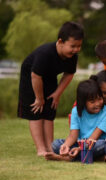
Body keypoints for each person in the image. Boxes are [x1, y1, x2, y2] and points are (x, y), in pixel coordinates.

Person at [17, 21, 84, 156]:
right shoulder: (45, 53)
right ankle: (41, 149)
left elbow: (69, 74)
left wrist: (57, 94)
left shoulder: (72, 56)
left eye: (79, 46)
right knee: (36, 111)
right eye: (72, 46)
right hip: (31, 78)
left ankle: (50, 147)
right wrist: (39, 98)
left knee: (49, 111)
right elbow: (35, 76)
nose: (76, 49)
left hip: (49, 77)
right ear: (60, 42)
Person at [45, 79, 106, 161]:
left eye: (99, 99)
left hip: (95, 143)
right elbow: (73, 136)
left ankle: (66, 158)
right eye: (92, 101)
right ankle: (94, 158)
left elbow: (93, 138)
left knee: (104, 145)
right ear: (83, 102)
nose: (98, 103)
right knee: (56, 144)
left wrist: (79, 149)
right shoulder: (76, 111)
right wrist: (66, 146)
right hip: (80, 144)